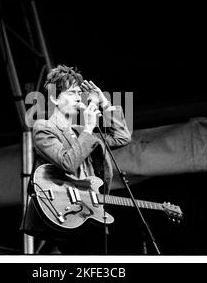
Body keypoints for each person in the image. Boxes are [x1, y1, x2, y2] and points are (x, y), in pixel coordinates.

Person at [20, 65, 131, 254]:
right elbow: (67, 163)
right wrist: (88, 128)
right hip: (63, 212)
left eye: (79, 93)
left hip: (89, 210)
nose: (79, 97)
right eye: (72, 93)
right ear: (55, 97)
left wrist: (104, 103)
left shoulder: (81, 132)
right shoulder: (44, 127)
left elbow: (122, 136)